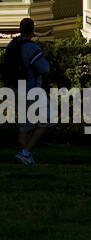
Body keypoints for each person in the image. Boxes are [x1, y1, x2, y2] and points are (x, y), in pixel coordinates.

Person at [4, 19, 50, 165]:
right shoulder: (31, 47)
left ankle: (24, 155)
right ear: (33, 30)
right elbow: (44, 68)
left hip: (14, 89)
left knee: (25, 125)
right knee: (47, 120)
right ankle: (25, 152)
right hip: (31, 89)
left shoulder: (12, 44)